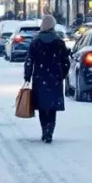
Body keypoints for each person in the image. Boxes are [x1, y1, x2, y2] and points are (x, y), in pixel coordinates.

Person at [23, 14, 70, 143]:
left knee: (42, 105)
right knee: (52, 106)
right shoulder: (59, 41)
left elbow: (29, 60)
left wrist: (27, 76)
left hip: (40, 76)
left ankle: (44, 129)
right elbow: (66, 61)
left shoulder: (36, 41)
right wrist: (62, 74)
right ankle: (50, 129)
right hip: (54, 76)